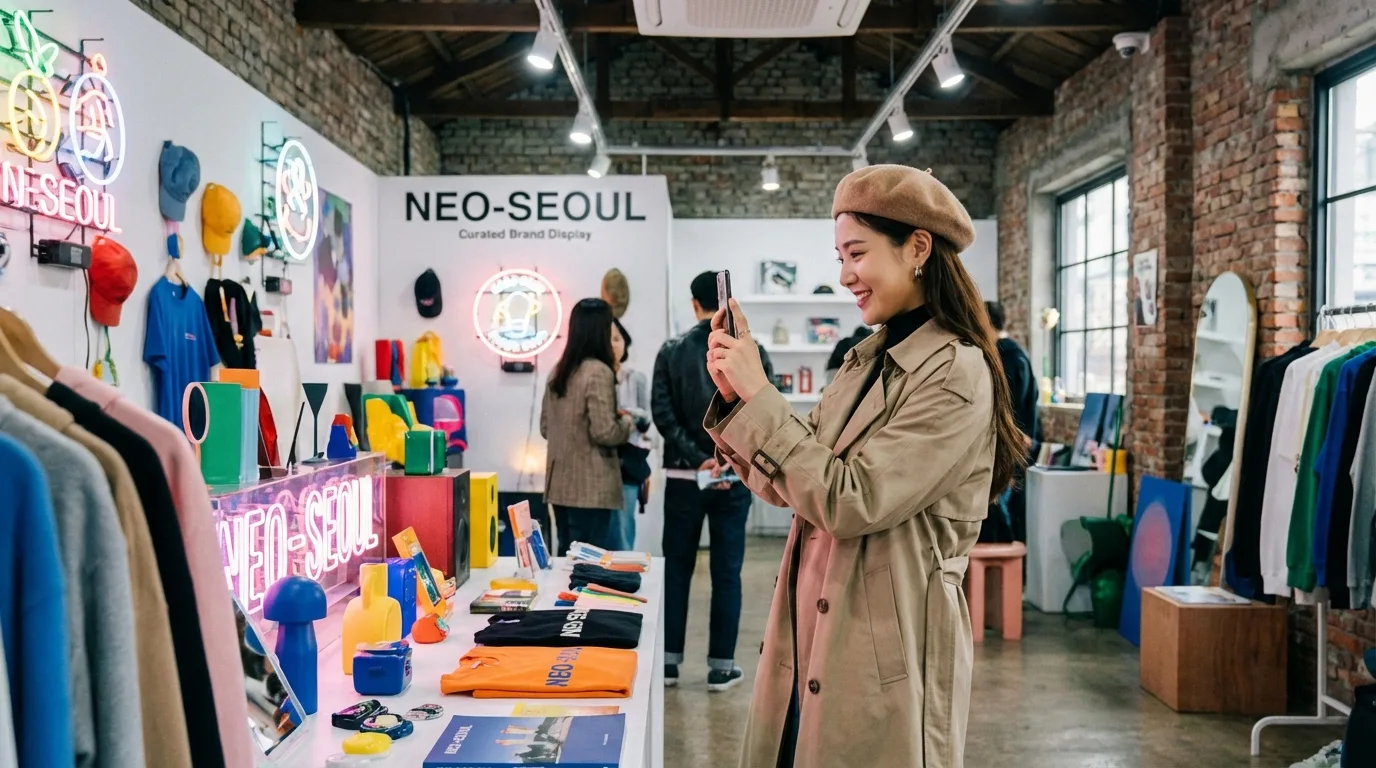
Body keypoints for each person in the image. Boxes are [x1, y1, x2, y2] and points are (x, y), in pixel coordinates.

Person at [703, 165, 1024, 768]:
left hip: (886, 651)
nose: (846, 275)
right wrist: (741, 397)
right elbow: (800, 484)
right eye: (839, 257)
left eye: (857, 253)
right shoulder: (866, 360)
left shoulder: (955, 372)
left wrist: (762, 398)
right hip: (813, 628)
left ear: (918, 248)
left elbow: (851, 500)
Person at [652, 270, 774, 692]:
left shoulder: (670, 352)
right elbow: (765, 406)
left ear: (693, 303)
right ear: (726, 303)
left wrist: (699, 457)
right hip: (735, 479)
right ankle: (721, 667)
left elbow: (662, 414)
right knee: (727, 572)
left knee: (677, 568)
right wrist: (725, 457)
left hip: (685, 477)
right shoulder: (749, 352)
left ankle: (668, 665)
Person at [540, 298, 633, 553]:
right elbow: (605, 431)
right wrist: (626, 422)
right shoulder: (599, 372)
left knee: (565, 562)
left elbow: (545, 428)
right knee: (589, 568)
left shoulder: (557, 371)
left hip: (559, 485)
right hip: (592, 487)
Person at [985, 300, 1039, 543]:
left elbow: (1010, 407)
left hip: (1013, 447)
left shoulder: (1009, 357)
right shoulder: (1013, 353)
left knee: (1004, 514)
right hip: (1013, 445)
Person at [611, 317, 652, 551]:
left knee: (625, 527)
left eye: (617, 339)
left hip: (629, 460)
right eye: (607, 340)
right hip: (601, 460)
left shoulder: (636, 378)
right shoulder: (594, 377)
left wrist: (627, 414)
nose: (613, 345)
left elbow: (646, 420)